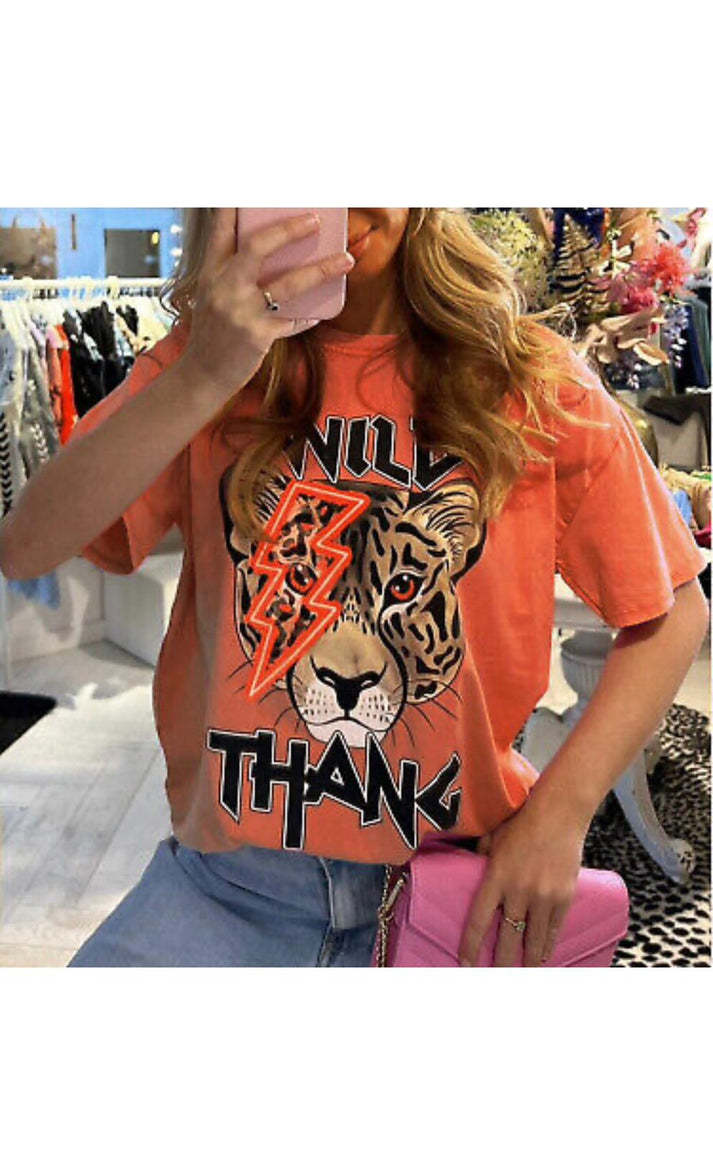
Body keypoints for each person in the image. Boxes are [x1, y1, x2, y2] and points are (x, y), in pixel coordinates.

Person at [0, 208, 708, 967]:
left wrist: (562, 814)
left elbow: (672, 612)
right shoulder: (200, 364)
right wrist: (204, 375)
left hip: (451, 889)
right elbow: (28, 546)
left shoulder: (527, 377)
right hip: (230, 883)